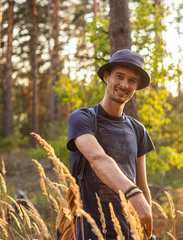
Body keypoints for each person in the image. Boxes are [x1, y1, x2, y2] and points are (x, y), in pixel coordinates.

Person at [67, 49, 155, 240]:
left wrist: (146, 232)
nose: (124, 85)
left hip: (129, 234)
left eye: (132, 80)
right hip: (88, 232)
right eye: (119, 76)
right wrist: (133, 193)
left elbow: (141, 183)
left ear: (137, 86)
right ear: (106, 77)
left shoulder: (137, 129)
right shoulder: (82, 118)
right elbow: (97, 159)